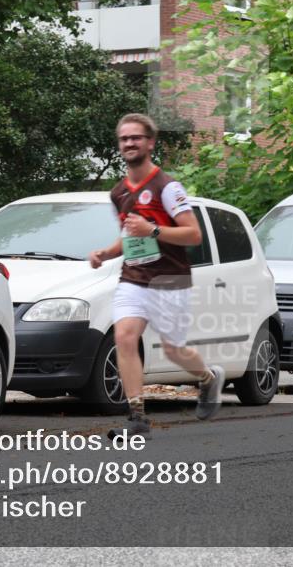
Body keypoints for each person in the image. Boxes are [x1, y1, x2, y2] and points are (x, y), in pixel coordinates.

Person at [90, 113, 226, 439]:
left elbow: (193, 235)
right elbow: (130, 235)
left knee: (173, 349)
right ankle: (137, 418)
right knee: (124, 336)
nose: (129, 144)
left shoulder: (167, 187)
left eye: (136, 138)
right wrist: (106, 253)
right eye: (124, 139)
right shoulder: (118, 192)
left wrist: (152, 229)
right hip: (133, 278)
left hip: (170, 279)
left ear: (150, 143)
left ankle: (208, 378)